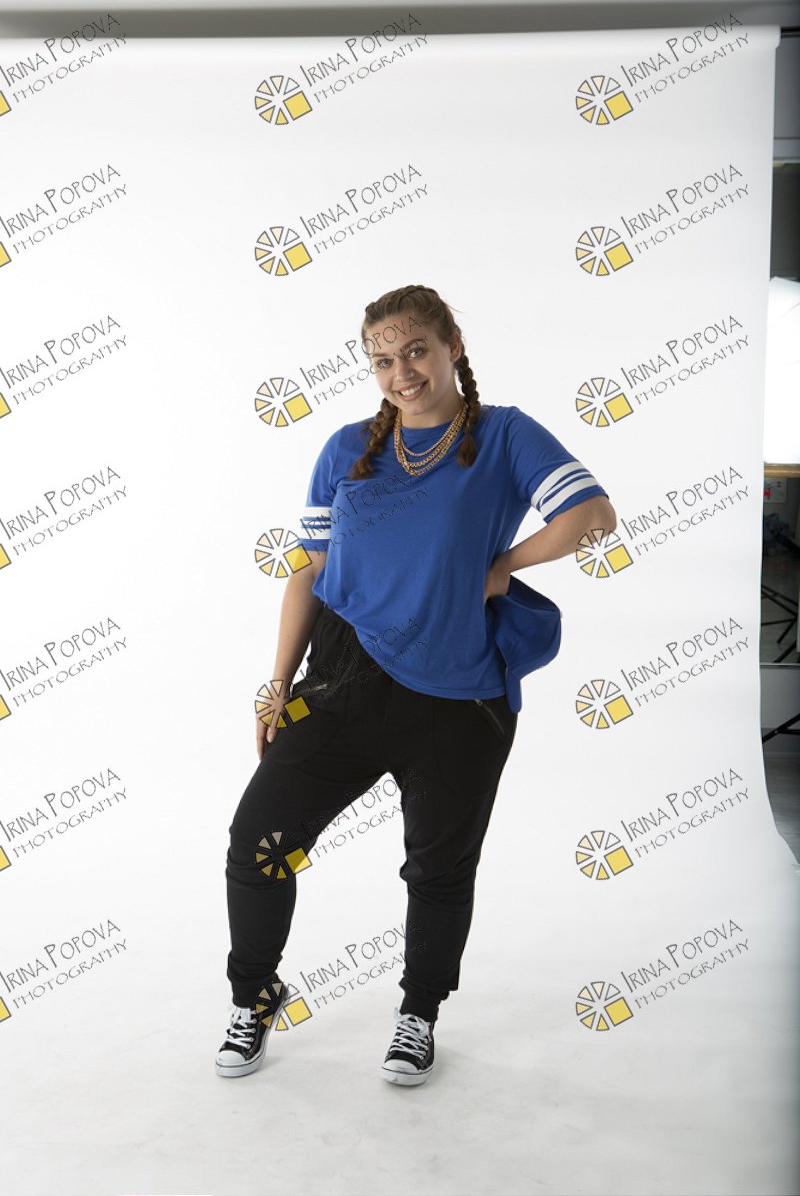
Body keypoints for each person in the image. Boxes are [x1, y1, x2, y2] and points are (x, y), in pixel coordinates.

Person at [216, 283, 616, 1086]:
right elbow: (308, 572)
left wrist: (502, 566)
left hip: (458, 697)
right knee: (257, 842)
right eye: (382, 361)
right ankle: (255, 994)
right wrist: (277, 683)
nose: (401, 372)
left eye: (416, 351)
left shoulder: (503, 435)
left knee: (438, 869)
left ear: (452, 346)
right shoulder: (344, 449)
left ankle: (419, 1014)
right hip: (340, 678)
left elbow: (594, 515)